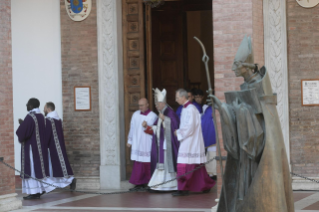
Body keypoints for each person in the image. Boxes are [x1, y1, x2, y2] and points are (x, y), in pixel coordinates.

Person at [211, 36, 294, 211]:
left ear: (246, 66)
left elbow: (259, 121)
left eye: (236, 64)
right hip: (246, 149)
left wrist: (234, 111)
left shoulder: (259, 86)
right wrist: (224, 109)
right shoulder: (247, 86)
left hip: (256, 148)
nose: (233, 68)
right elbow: (242, 112)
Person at [172, 89, 215, 196]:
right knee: (197, 168)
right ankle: (205, 185)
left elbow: (190, 127)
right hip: (188, 140)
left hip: (190, 142)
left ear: (183, 97)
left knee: (184, 165)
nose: (176, 100)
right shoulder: (186, 108)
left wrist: (179, 133)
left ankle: (183, 188)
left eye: (177, 98)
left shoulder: (191, 109)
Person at [143, 88, 180, 192]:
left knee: (168, 166)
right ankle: (158, 185)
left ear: (163, 103)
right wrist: (148, 127)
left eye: (157, 104)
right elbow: (156, 128)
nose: (156, 106)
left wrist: (165, 119)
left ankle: (170, 185)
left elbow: (175, 126)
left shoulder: (170, 112)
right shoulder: (161, 112)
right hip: (161, 144)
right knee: (161, 166)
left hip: (168, 144)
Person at [16, 98, 51, 200]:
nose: (26, 106)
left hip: (31, 148)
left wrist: (22, 124)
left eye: (27, 104)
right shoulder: (41, 116)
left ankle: (34, 192)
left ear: (31, 106)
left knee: (31, 170)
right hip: (40, 148)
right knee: (38, 170)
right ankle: (39, 190)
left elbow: (23, 132)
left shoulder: (30, 116)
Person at [44, 102, 76, 191]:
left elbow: (47, 134)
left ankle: (70, 180)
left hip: (53, 146)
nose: (44, 110)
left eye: (45, 108)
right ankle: (70, 180)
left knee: (58, 165)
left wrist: (44, 145)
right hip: (60, 144)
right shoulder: (58, 119)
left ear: (48, 109)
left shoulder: (49, 119)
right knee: (60, 165)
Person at [127, 98, 158, 191]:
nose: (140, 107)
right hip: (137, 143)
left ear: (147, 104)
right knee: (138, 164)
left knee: (147, 163)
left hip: (147, 143)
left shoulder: (153, 116)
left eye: (142, 105)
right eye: (139, 105)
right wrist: (130, 140)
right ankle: (138, 184)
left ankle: (149, 183)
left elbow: (156, 131)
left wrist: (146, 126)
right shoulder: (135, 114)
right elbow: (132, 127)